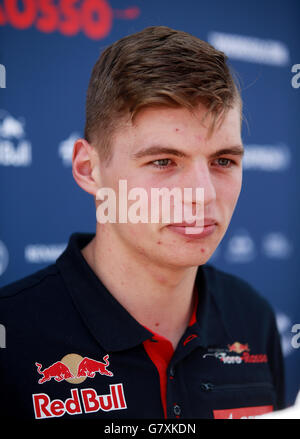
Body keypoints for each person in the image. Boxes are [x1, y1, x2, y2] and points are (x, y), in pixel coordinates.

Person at [0, 26, 285, 420]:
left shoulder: (252, 317)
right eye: (164, 161)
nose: (202, 194)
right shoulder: (11, 336)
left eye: (223, 161)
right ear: (88, 169)